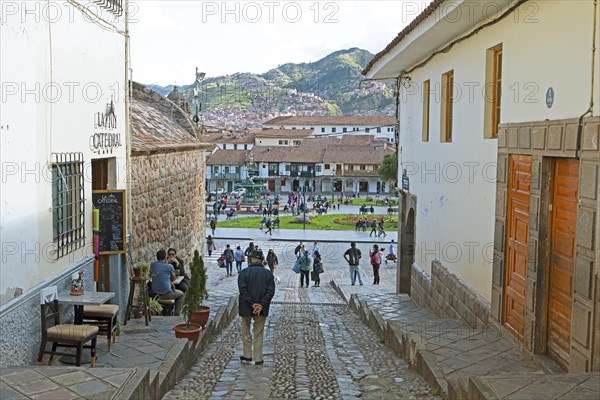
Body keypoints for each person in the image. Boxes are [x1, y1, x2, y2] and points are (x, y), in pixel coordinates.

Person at [238, 249, 275, 366]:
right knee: (258, 332)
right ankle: (258, 358)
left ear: (252, 260)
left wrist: (252, 304)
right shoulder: (268, 274)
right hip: (261, 308)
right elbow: (270, 292)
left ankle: (247, 355)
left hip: (246, 307)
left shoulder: (244, 273)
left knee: (246, 332)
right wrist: (261, 305)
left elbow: (243, 290)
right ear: (261, 261)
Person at [150, 249, 184, 316]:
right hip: (166, 294)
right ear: (166, 257)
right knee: (181, 294)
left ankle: (166, 311)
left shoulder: (152, 265)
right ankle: (176, 314)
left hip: (155, 293)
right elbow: (173, 279)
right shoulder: (169, 266)